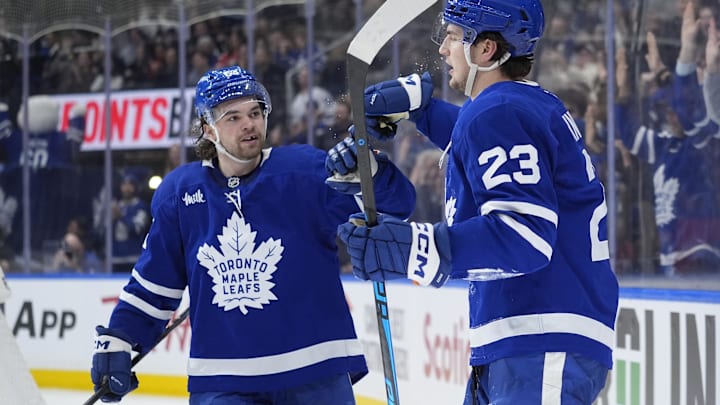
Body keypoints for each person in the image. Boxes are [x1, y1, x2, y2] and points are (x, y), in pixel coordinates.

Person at [337, 0, 619, 403]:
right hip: (530, 337)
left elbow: (523, 236)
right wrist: (424, 112)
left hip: (539, 337)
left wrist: (412, 247)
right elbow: (479, 141)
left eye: (452, 37)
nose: (442, 49)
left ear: (486, 49)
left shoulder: (500, 111)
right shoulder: (515, 107)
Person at [89, 65, 416, 404]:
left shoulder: (305, 171)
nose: (249, 124)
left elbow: (397, 207)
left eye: (255, 112)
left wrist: (372, 174)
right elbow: (153, 286)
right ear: (208, 129)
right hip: (223, 380)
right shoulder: (181, 194)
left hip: (316, 369)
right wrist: (120, 338)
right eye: (233, 117)